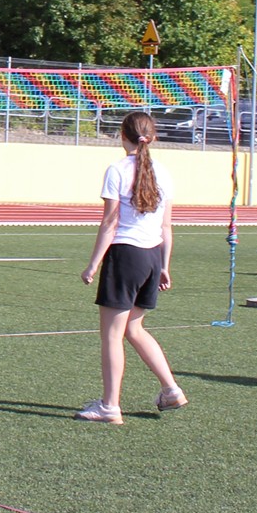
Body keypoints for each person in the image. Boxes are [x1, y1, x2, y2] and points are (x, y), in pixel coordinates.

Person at [75, 111, 187, 425]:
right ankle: (171, 389)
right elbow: (166, 226)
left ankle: (110, 406)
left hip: (126, 256)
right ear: (152, 137)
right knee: (134, 329)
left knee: (112, 335)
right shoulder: (163, 172)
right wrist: (164, 265)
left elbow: (110, 223)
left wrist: (93, 264)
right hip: (152, 257)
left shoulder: (118, 170)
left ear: (122, 136)